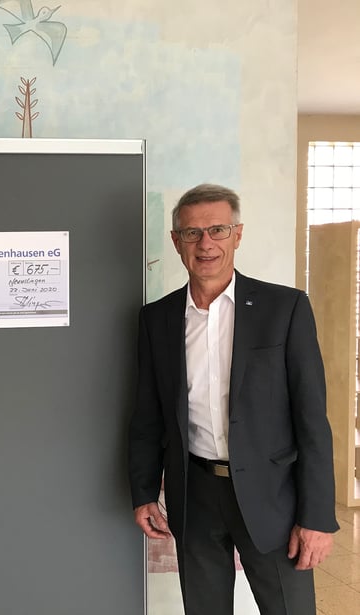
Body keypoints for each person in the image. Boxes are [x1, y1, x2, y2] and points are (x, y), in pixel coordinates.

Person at [127, 184, 339, 615]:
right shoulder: (157, 318)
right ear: (176, 241)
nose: (205, 244)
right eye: (192, 233)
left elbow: (312, 420)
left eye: (218, 230)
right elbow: (148, 415)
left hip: (273, 497)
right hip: (194, 495)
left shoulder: (285, 308)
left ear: (237, 235)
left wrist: (317, 516)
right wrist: (144, 490)